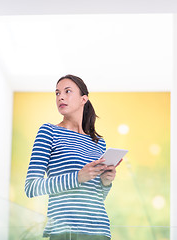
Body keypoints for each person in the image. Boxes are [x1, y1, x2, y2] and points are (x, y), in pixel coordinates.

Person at [24, 74, 117, 240]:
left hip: (99, 231)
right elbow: (31, 187)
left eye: (67, 91)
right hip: (63, 231)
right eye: (57, 93)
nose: (61, 97)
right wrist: (77, 177)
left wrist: (106, 182)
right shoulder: (48, 132)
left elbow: (95, 197)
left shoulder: (98, 142)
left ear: (83, 99)